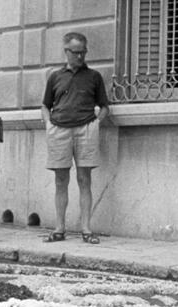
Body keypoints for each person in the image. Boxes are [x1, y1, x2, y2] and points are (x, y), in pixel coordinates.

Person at [41, 32, 109, 244]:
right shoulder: (55, 76)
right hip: (59, 130)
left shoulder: (94, 77)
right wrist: (48, 124)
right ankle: (59, 228)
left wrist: (96, 123)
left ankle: (86, 229)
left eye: (83, 52)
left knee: (84, 179)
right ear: (66, 52)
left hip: (86, 129)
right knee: (61, 180)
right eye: (76, 52)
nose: (80, 57)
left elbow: (105, 106)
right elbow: (45, 104)